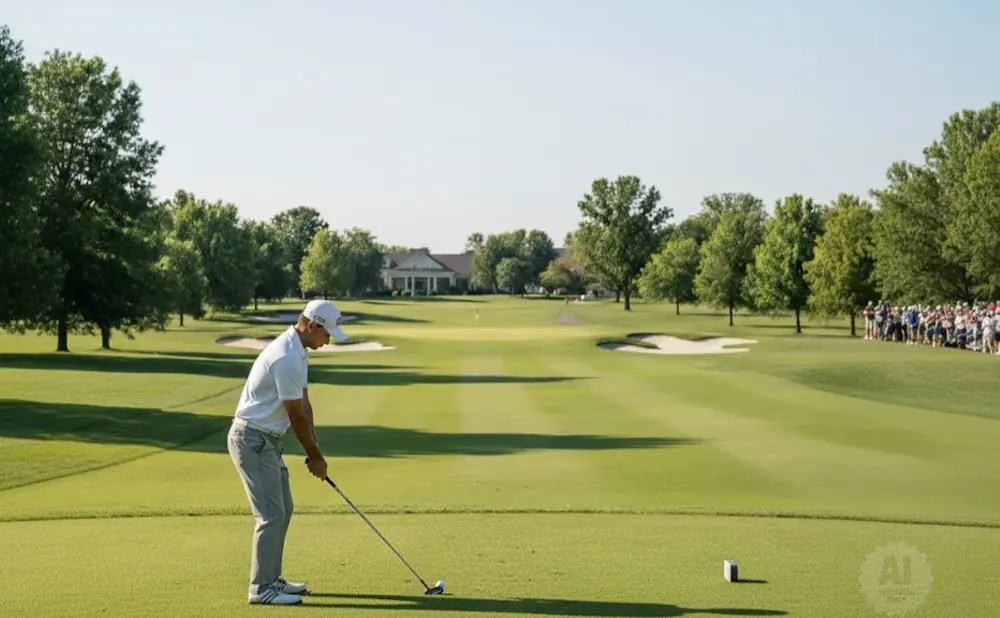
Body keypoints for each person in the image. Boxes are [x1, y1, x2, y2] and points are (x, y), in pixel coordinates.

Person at [226, 299, 349, 605]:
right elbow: (294, 415)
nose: (329, 340)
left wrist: (314, 452)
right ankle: (261, 588)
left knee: (285, 508)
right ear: (311, 325)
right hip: (251, 439)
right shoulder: (286, 357)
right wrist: (315, 456)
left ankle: (273, 579)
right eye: (327, 333)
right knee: (270, 515)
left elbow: (304, 408)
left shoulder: (299, 351)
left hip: (267, 440)